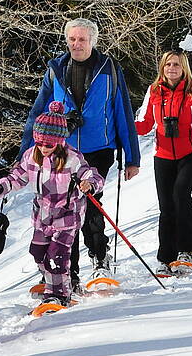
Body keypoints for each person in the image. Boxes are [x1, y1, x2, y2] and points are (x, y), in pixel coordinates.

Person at [20, 19, 139, 289]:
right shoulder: (56, 69)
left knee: (91, 203)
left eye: (82, 39)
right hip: (63, 151)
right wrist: (26, 152)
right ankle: (67, 272)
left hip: (99, 148)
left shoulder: (109, 69)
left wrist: (132, 157)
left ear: (92, 41)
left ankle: (99, 259)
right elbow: (37, 113)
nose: (77, 44)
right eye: (72, 39)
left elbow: (123, 112)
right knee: (64, 209)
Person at [0, 101, 102, 306]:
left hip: (67, 216)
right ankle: (53, 282)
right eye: (39, 143)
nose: (43, 148)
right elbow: (15, 179)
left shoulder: (72, 158)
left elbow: (93, 175)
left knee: (57, 257)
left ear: (60, 141)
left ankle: (59, 294)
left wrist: (88, 184)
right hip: (42, 217)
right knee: (37, 253)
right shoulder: (31, 157)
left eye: (49, 144)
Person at [135, 50, 192, 276]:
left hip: (191, 152)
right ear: (162, 67)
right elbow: (145, 122)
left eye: (176, 64)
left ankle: (187, 249)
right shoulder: (154, 91)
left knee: (181, 195)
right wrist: (126, 129)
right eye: (168, 64)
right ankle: (165, 256)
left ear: (183, 67)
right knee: (166, 206)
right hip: (163, 155)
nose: (171, 68)